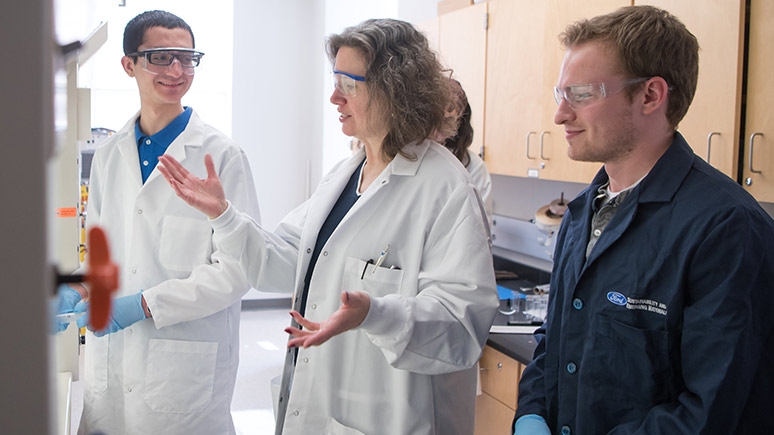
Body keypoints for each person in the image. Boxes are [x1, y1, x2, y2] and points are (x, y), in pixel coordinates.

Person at [158, 18, 498, 435]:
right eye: (336, 81)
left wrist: (376, 313)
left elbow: (462, 325)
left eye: (349, 84)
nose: (335, 97)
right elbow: (281, 262)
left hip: (393, 418)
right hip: (321, 406)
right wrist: (224, 215)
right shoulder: (345, 174)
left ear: (395, 89)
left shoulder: (445, 188)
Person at [514, 5, 774, 435]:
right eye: (560, 95)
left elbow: (710, 412)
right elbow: (555, 344)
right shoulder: (582, 213)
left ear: (651, 96)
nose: (560, 114)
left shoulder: (727, 228)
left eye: (580, 94)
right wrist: (531, 414)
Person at [61, 10, 261, 435]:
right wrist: (75, 287)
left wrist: (144, 305)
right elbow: (104, 255)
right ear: (129, 64)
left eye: (187, 58)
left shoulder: (221, 156)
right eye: (160, 57)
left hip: (183, 379)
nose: (176, 70)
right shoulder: (110, 155)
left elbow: (240, 269)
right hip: (110, 375)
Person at [434, 78, 493, 223]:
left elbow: (477, 232)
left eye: (447, 121)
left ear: (459, 122)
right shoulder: (406, 156)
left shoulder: (473, 167)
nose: (437, 133)